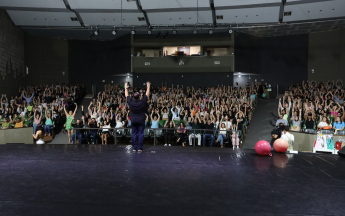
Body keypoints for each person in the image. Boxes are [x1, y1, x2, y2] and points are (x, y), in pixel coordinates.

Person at [126, 81, 150, 152]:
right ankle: (139, 148)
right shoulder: (142, 102)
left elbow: (126, 95)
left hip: (133, 120)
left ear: (133, 97)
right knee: (140, 134)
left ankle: (134, 148)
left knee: (133, 134)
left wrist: (126, 88)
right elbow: (147, 95)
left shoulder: (131, 102)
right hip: (141, 120)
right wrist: (148, 86)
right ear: (139, 97)